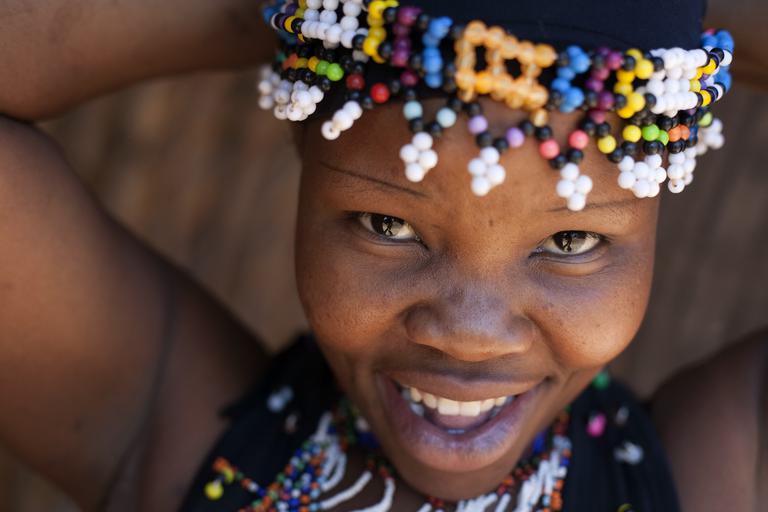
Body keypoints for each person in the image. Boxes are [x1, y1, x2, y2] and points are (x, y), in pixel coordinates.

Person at [0, 1, 763, 512]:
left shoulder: (719, 474)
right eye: (385, 224)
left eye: (570, 242)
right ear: (304, 145)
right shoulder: (160, 424)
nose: (467, 331)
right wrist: (312, 17)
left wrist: (650, 18)